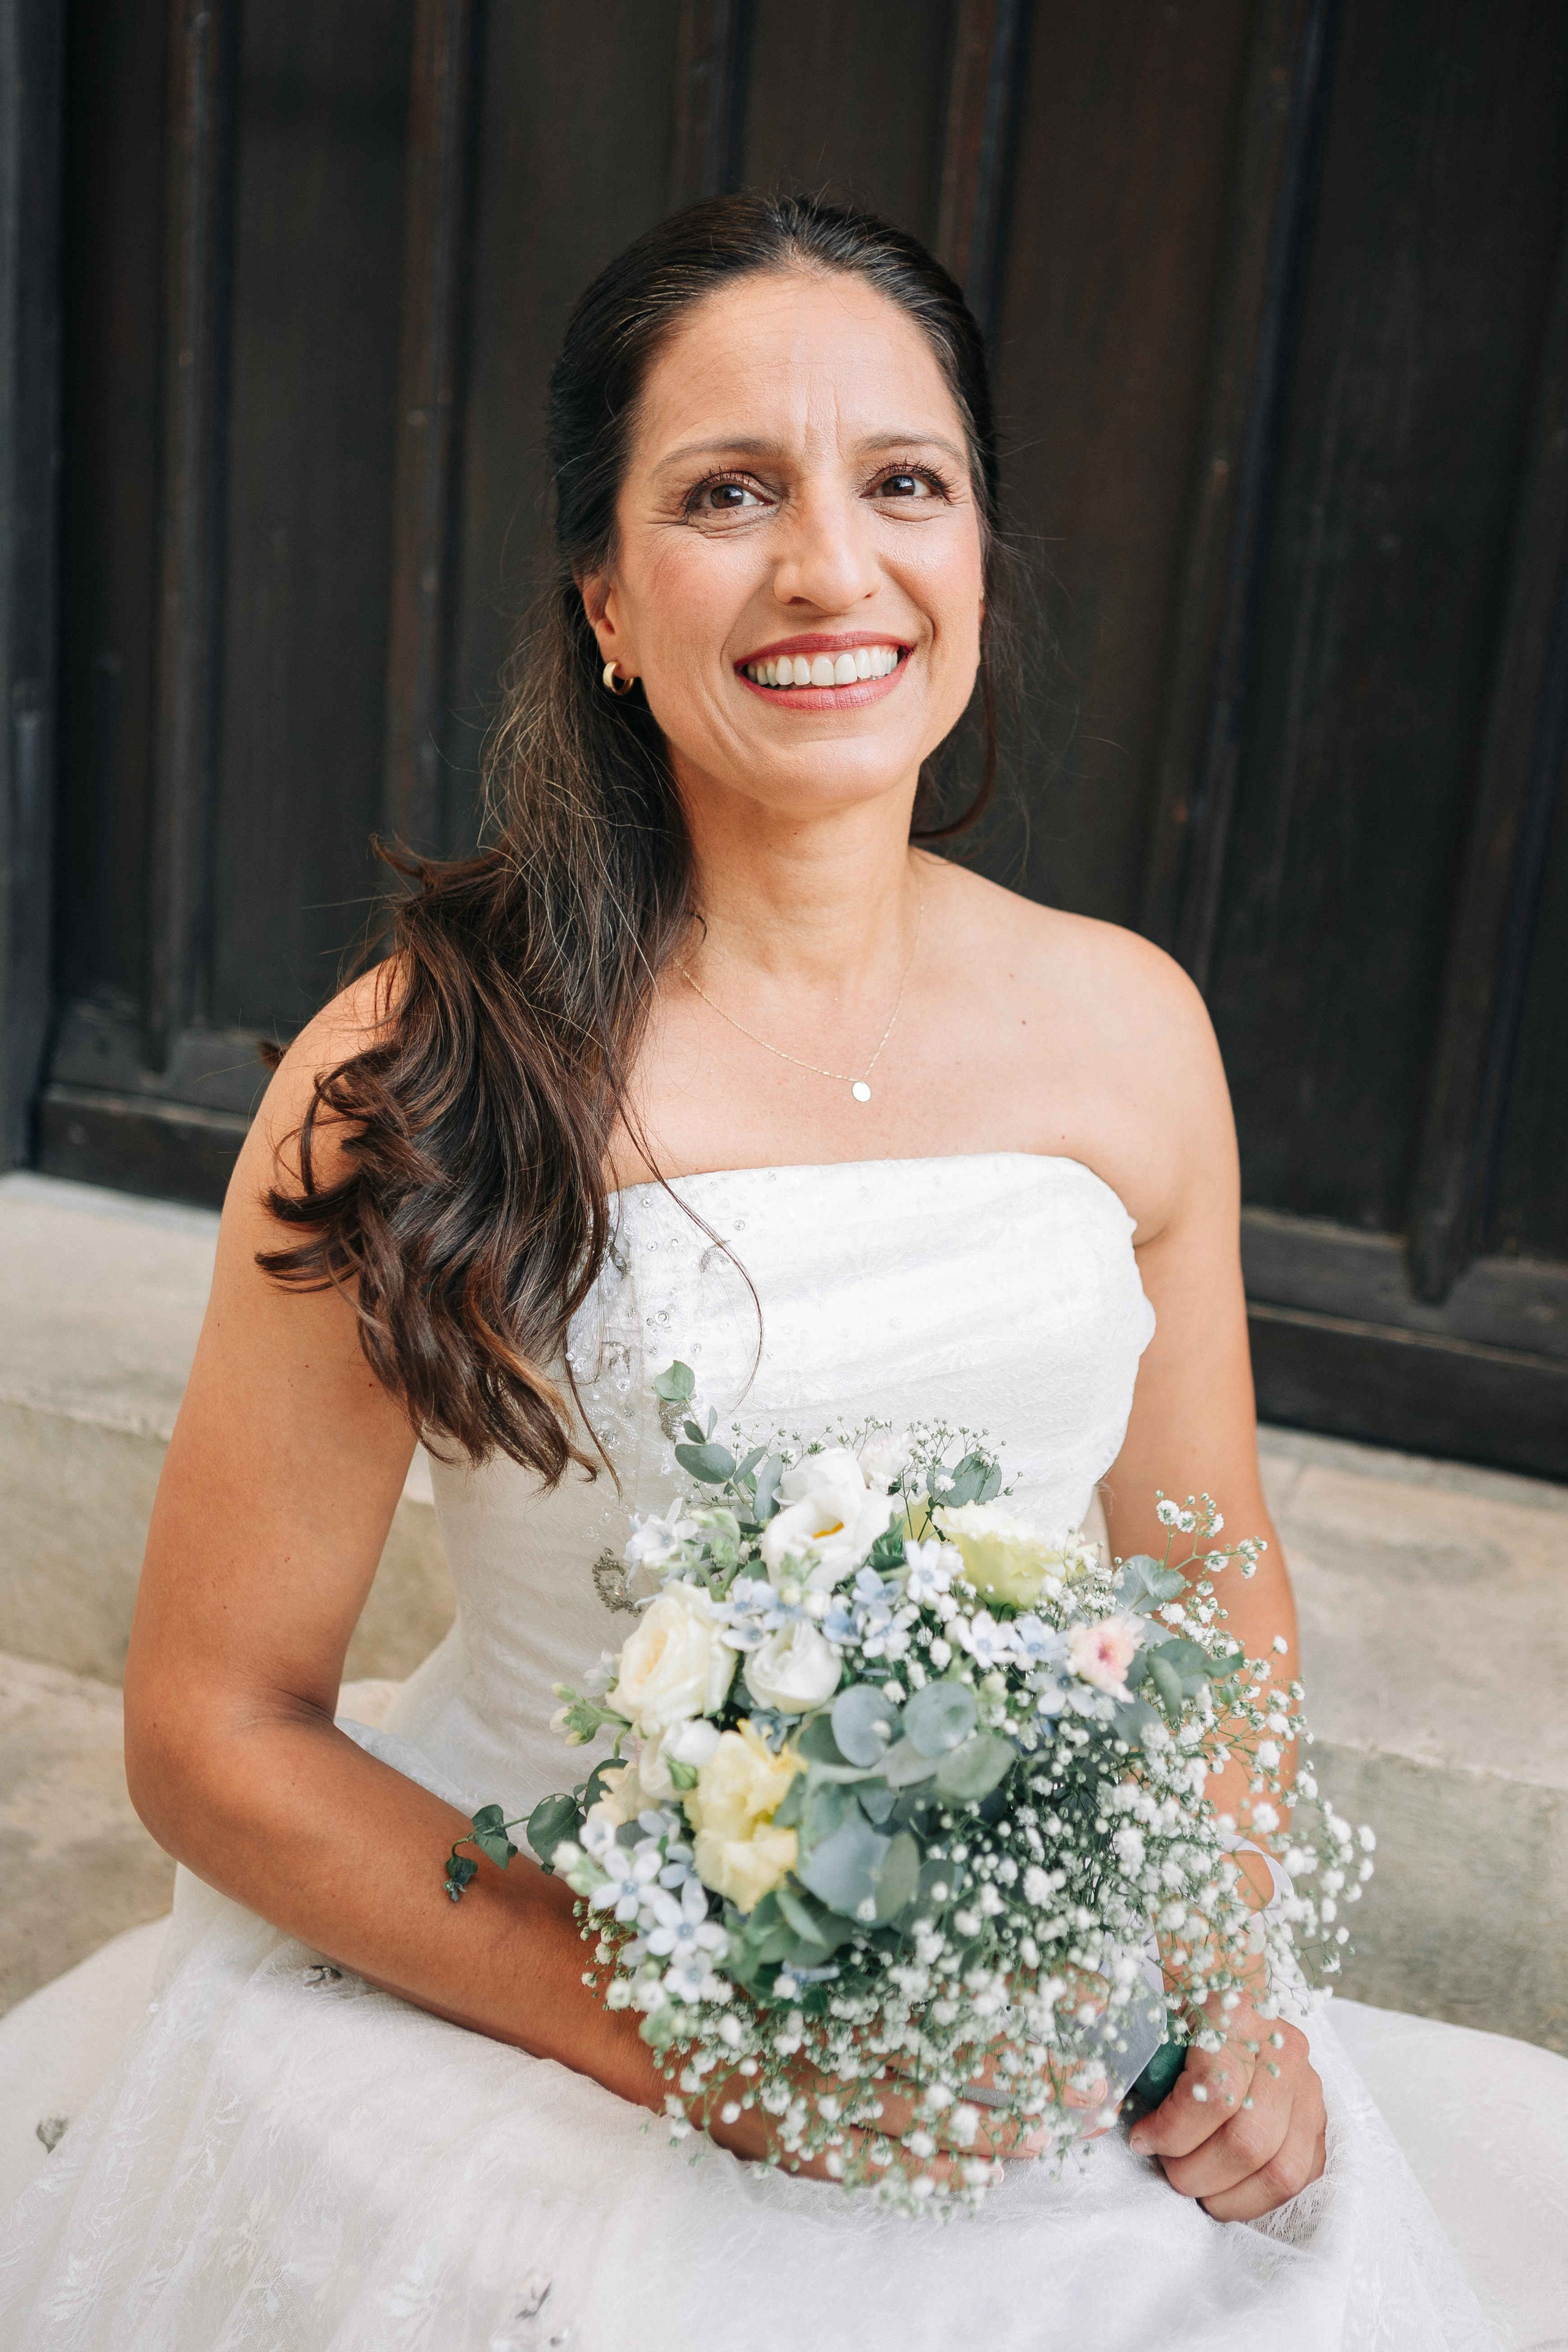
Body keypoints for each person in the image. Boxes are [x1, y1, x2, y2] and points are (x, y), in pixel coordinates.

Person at [0, 194, 1518, 2349]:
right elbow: (212, 1728)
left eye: (906, 482)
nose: (831, 567)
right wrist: (674, 2042)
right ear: (608, 599)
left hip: (1039, 2012)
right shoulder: (420, 1072)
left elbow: (1215, 1568)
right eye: (730, 494)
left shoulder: (1131, 1027)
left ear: (978, 552)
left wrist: (1228, 1972)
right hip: (540, 1994)